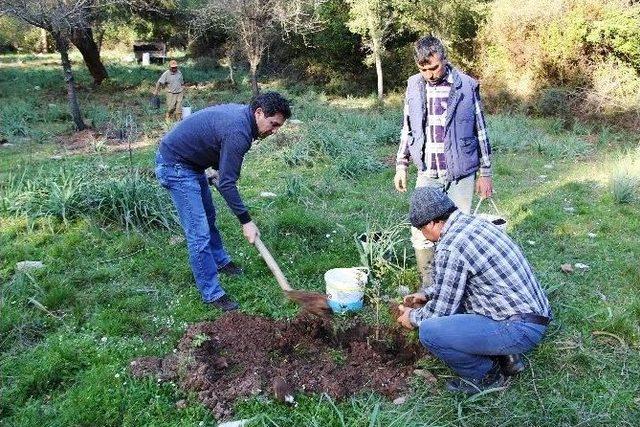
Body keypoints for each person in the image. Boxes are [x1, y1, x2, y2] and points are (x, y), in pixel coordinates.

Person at [396, 187, 551, 394]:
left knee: (430, 331)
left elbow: (440, 313)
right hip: (533, 315)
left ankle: (484, 374)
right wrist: (427, 294)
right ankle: (506, 355)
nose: (423, 236)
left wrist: (412, 317)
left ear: (432, 223)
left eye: (421, 230)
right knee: (459, 304)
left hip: (520, 329)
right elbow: (457, 280)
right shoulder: (473, 223)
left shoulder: (450, 246)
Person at [155, 92, 291, 311]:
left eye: (278, 127)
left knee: (208, 217)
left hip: (192, 164)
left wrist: (218, 169)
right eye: (273, 124)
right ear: (258, 113)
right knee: (198, 232)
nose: (274, 131)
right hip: (176, 166)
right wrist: (246, 221)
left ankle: (221, 261)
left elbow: (221, 151)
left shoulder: (243, 119)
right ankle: (212, 292)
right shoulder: (239, 131)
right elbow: (227, 183)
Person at [393, 35, 494, 288]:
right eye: (423, 69)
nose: (429, 74)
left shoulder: (467, 86)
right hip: (428, 173)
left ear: (445, 59)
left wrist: (486, 173)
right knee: (421, 231)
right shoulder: (414, 86)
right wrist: (401, 165)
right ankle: (429, 286)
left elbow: (480, 131)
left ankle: (456, 286)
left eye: (434, 67)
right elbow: (408, 128)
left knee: (458, 233)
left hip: (460, 174)